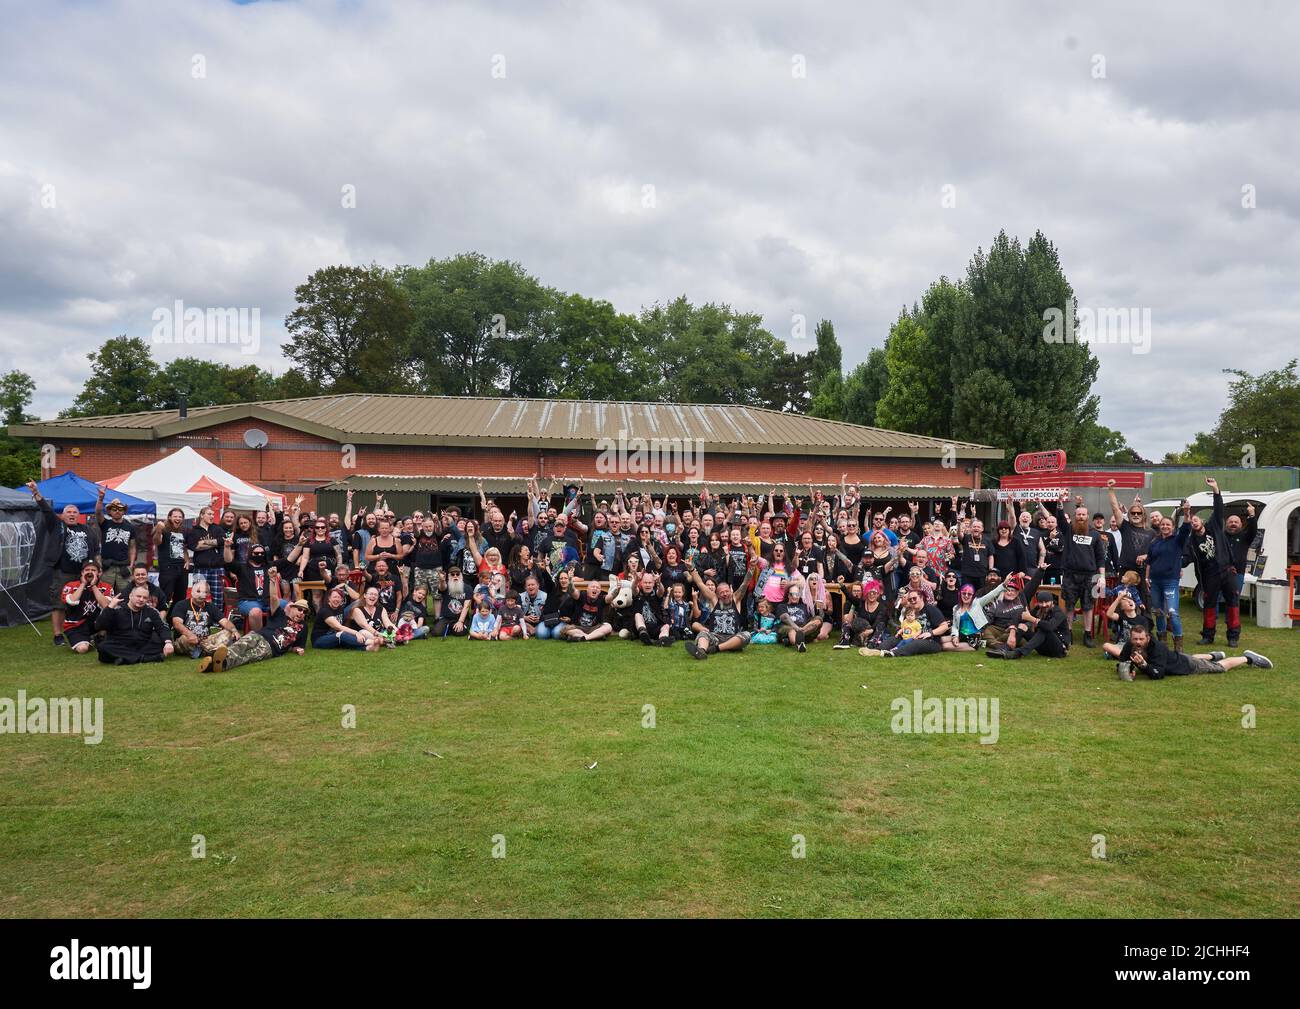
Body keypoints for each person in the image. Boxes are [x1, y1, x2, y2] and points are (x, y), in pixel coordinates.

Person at [27, 480, 101, 646]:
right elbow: (46, 510)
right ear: (63, 515)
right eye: (69, 512)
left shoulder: (87, 529)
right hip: (63, 572)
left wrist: (97, 567)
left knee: (83, 603)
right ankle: (58, 635)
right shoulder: (58, 525)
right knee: (59, 604)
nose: (72, 514)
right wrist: (36, 493)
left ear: (79, 514)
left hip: (83, 573)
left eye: (75, 512)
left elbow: (95, 550)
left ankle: (83, 632)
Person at [1052, 493, 1108, 647]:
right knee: (1069, 605)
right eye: (1078, 515)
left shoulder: (1095, 535)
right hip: (1070, 574)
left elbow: (1100, 558)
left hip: (1090, 576)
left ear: (1087, 516)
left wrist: (1101, 577)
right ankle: (1067, 632)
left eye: (1083, 515)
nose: (1081, 517)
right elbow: (1061, 519)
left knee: (1088, 606)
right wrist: (1059, 503)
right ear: (1075, 516)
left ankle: (1087, 634)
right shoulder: (1069, 530)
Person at [1118, 623, 1272, 679]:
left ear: (1148, 638)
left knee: (1219, 668)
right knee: (1193, 657)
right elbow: (1121, 663)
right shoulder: (1129, 645)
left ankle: (1247, 658)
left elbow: (1159, 674)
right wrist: (1130, 669)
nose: (1138, 642)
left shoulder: (1158, 648)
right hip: (1178, 657)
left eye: (1141, 639)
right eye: (1135, 639)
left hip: (1186, 666)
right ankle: (1214, 655)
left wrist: (1144, 666)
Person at [202, 599, 310, 672]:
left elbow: (297, 645)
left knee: (247, 657)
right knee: (239, 646)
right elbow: (273, 599)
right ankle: (214, 659)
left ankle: (217, 665)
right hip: (259, 635)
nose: (302, 613)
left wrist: (297, 650)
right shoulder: (280, 614)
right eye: (300, 609)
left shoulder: (304, 627)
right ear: (292, 608)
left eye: (305, 612)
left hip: (270, 649)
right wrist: (272, 580)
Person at [684, 557, 754, 659]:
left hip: (732, 638)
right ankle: (701, 651)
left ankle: (715, 649)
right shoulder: (714, 600)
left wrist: (751, 567)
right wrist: (691, 569)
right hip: (715, 637)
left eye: (726, 591)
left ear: (730, 591)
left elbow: (745, 583)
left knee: (747, 635)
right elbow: (700, 583)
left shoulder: (736, 599)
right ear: (717, 594)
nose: (725, 594)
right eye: (721, 592)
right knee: (703, 633)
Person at [94, 584, 174, 665]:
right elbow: (98, 626)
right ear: (130, 596)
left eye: (145, 598)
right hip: (120, 646)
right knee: (103, 646)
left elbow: (163, 627)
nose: (141, 599)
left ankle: (125, 659)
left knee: (160, 642)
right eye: (138, 596)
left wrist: (168, 642)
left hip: (143, 646)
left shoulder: (152, 611)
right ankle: (144, 659)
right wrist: (110, 606)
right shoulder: (116, 609)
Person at [860, 590, 949, 658]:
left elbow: (944, 626)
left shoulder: (930, 609)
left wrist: (930, 633)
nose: (912, 601)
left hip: (931, 641)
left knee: (917, 643)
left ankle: (892, 653)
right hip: (908, 637)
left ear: (921, 598)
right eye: (910, 599)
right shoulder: (910, 611)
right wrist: (901, 630)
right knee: (893, 639)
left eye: (915, 598)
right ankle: (877, 651)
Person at [987, 590, 1070, 660]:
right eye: (1041, 602)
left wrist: (1031, 618)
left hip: (1059, 650)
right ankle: (1005, 649)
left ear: (1052, 601)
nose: (1044, 605)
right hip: (1043, 649)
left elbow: (1050, 626)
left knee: (1044, 629)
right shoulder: (1038, 609)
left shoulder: (1058, 612)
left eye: (1046, 602)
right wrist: (1012, 632)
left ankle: (1018, 653)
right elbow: (1018, 616)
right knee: (1022, 626)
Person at [168, 577, 239, 658]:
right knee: (185, 638)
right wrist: (190, 634)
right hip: (186, 640)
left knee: (229, 632)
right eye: (198, 591)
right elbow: (177, 624)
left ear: (208, 594)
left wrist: (234, 630)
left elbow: (225, 622)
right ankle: (214, 651)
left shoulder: (211, 606)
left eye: (205, 592)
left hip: (205, 640)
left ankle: (204, 652)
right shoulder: (181, 604)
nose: (201, 594)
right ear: (192, 592)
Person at [62, 560, 113, 654]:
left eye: (93, 570)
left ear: (99, 573)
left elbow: (105, 605)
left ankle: (99, 636)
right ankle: (88, 640)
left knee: (112, 614)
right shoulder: (71, 585)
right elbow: (72, 602)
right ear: (82, 572)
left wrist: (93, 586)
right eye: (87, 570)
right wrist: (83, 584)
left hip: (96, 623)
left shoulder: (106, 587)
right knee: (82, 649)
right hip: (75, 625)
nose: (90, 572)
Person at [313, 585, 380, 651]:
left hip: (334, 636)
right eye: (334, 597)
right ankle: (371, 642)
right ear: (329, 598)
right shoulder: (325, 610)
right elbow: (339, 627)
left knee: (346, 640)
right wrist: (356, 633)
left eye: (339, 597)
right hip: (320, 639)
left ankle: (368, 648)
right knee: (342, 635)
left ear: (342, 599)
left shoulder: (340, 608)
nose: (337, 599)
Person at [187, 506, 227, 612]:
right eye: (209, 514)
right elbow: (194, 546)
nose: (212, 516)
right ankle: (197, 617)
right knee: (198, 594)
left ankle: (217, 620)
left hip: (217, 567)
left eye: (213, 514)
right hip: (200, 567)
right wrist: (214, 543)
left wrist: (203, 543)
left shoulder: (217, 528)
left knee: (218, 595)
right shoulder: (194, 530)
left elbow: (222, 541)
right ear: (201, 515)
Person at [95, 493, 136, 593]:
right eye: (114, 509)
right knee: (105, 595)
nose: (117, 511)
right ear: (110, 512)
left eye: (120, 509)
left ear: (123, 512)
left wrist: (131, 565)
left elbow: (132, 547)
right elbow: (98, 512)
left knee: (125, 596)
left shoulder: (130, 527)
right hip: (107, 567)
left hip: (124, 568)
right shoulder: (105, 524)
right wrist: (100, 499)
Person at [153, 507, 190, 607]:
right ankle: (160, 619)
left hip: (182, 568)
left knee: (181, 597)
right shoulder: (164, 529)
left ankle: (173, 620)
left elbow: (184, 548)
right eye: (175, 516)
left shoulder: (184, 531)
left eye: (180, 517)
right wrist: (159, 530)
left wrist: (187, 560)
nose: (177, 518)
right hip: (167, 568)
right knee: (165, 596)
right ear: (169, 517)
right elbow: (157, 542)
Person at [776, 580, 821, 651]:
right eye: (792, 594)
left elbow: (815, 617)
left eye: (797, 594)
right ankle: (800, 643)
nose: (795, 597)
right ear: (788, 595)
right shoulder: (782, 606)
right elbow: (785, 617)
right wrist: (796, 628)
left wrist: (802, 630)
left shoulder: (805, 605)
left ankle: (798, 638)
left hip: (803, 628)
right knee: (791, 631)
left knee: (818, 619)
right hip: (788, 627)